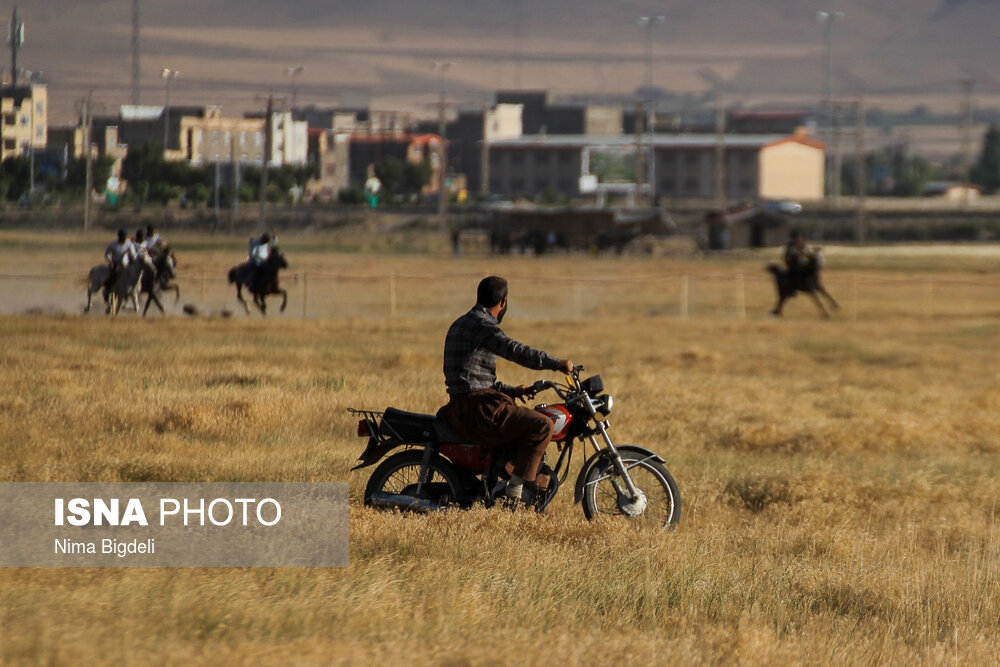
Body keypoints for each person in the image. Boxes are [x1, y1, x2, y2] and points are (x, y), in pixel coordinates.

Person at [436, 276, 574, 506]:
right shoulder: (483, 325)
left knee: (519, 430)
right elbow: (515, 350)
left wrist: (513, 390)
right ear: (503, 302)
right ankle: (518, 498)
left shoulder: (461, 322)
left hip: (465, 406)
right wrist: (556, 363)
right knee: (542, 425)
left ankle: (510, 491)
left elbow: (471, 377)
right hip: (479, 408)